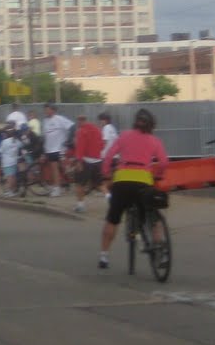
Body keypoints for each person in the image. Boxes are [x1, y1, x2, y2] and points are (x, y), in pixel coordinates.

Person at [97, 108, 169, 270]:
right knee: (153, 216)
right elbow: (164, 163)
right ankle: (161, 251)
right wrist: (158, 175)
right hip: (143, 182)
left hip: (122, 181)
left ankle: (104, 256)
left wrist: (106, 175)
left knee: (113, 218)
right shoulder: (154, 140)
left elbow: (108, 157)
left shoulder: (124, 136)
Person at [72, 113, 105, 211]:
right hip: (98, 160)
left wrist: (78, 161)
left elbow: (80, 147)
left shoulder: (81, 131)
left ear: (80, 121)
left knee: (79, 184)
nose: (78, 123)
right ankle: (113, 201)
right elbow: (102, 145)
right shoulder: (97, 130)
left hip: (86, 161)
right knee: (99, 185)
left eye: (78, 121)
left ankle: (80, 206)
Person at [41, 103, 74, 198]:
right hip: (49, 149)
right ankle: (62, 184)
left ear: (53, 110)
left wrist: (69, 140)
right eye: (45, 110)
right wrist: (44, 151)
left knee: (56, 169)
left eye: (47, 109)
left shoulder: (60, 119)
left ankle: (57, 188)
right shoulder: (45, 121)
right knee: (57, 169)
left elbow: (72, 126)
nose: (46, 111)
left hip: (59, 148)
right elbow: (45, 136)